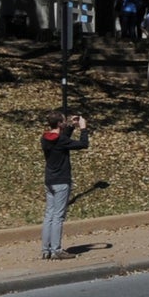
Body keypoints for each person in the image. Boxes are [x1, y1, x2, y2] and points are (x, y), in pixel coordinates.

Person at [39, 111, 90, 260]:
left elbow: (62, 139)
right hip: (61, 181)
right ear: (60, 124)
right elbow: (83, 144)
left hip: (49, 181)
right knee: (58, 217)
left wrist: (70, 126)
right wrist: (83, 128)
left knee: (49, 215)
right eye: (64, 122)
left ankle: (45, 249)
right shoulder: (61, 140)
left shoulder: (45, 138)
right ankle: (56, 250)